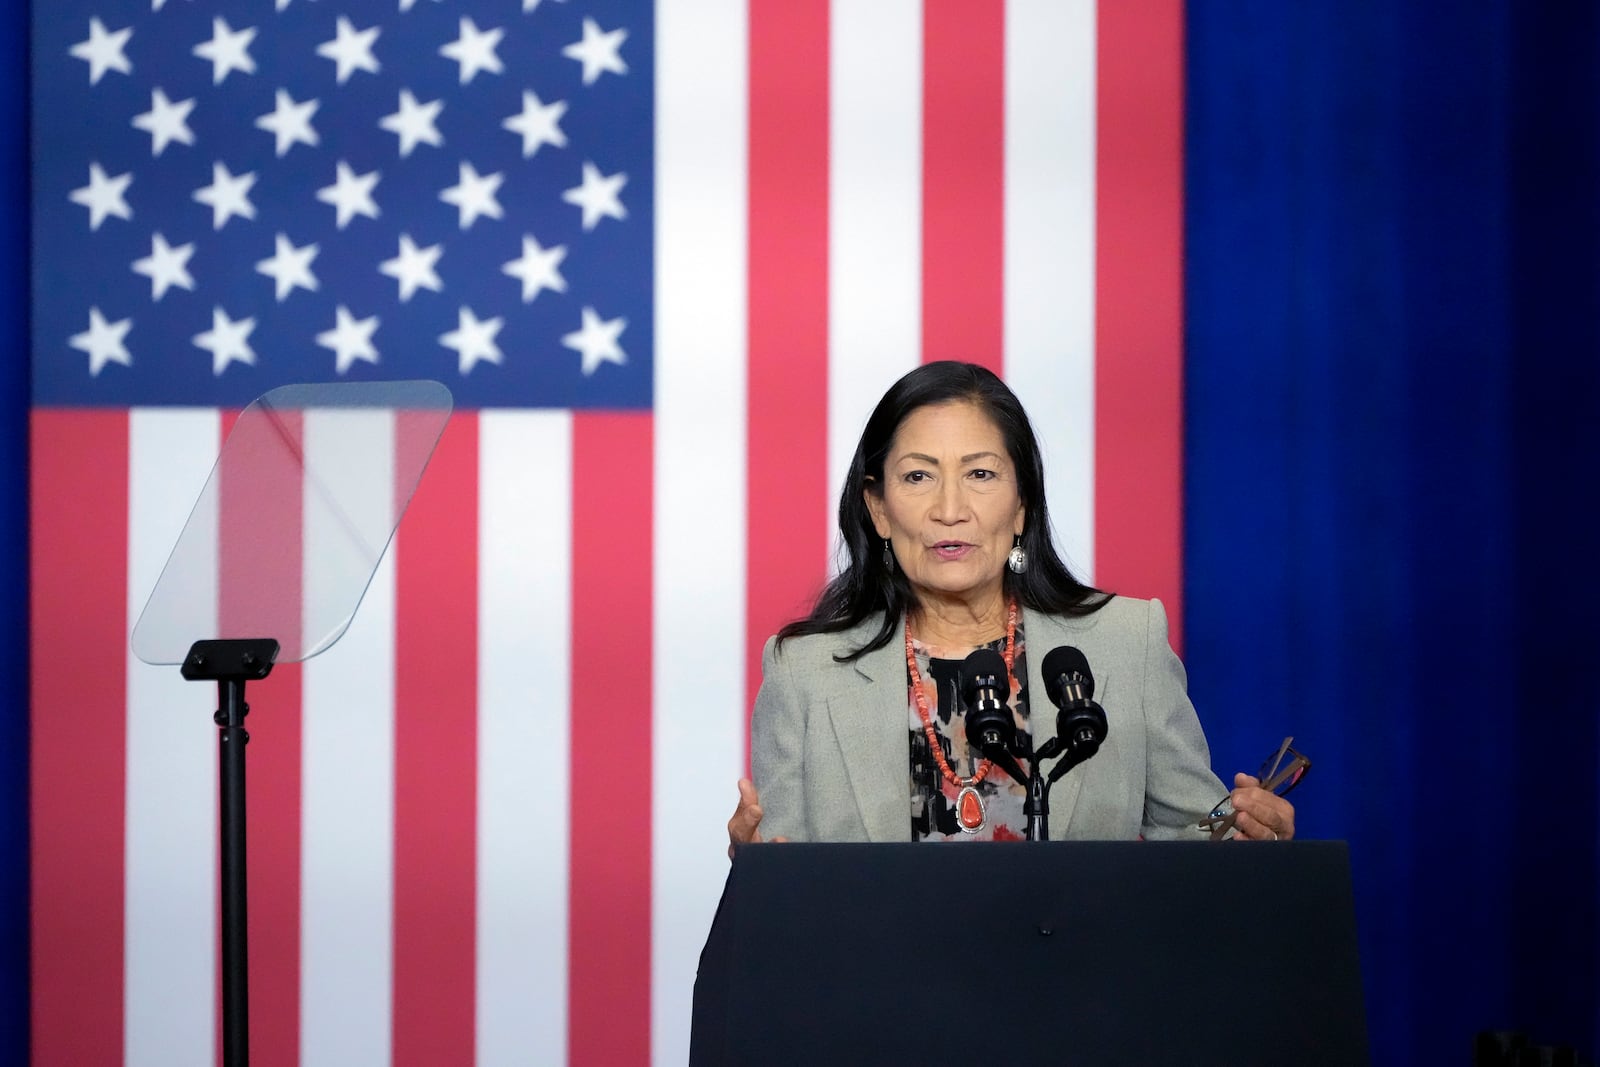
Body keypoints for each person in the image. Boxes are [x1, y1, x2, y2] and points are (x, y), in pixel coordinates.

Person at [727, 361, 1295, 849]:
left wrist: (1239, 831)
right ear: (878, 509)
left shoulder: (1126, 642)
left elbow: (1193, 837)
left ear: (1022, 505)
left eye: (980, 474)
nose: (950, 508)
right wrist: (760, 872)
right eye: (919, 476)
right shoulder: (804, 670)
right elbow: (788, 893)